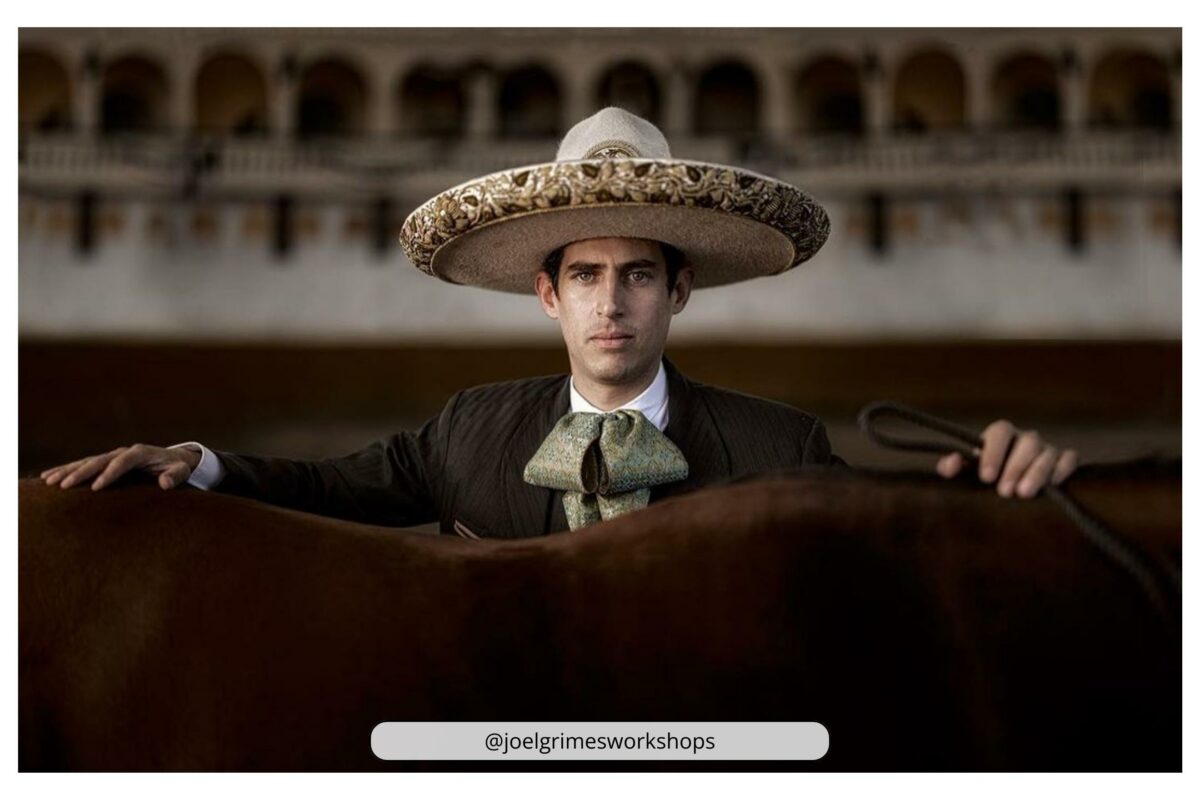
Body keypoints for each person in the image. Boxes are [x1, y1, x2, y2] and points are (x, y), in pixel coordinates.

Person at [39, 107, 1078, 538]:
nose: (610, 300)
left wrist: (1003, 484)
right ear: (549, 293)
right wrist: (195, 457)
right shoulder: (466, 431)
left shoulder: (779, 447)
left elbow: (881, 549)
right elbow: (327, 486)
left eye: (636, 273)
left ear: (680, 292)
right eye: (584, 274)